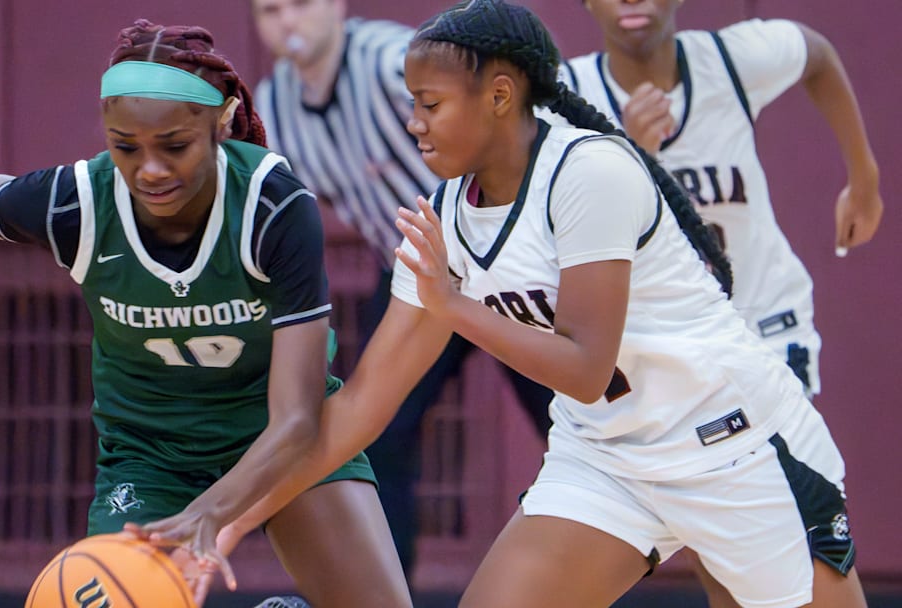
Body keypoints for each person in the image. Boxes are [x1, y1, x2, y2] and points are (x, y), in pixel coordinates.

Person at [136, 1, 870, 606]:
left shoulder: (590, 171)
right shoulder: (445, 218)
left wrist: (453, 306)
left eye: (428, 105)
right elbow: (358, 410)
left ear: (498, 96)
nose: (414, 124)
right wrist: (221, 519)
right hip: (608, 460)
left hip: (732, 442)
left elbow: (584, 366)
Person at [0, 20, 411, 608]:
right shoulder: (79, 202)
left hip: (273, 436)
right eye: (125, 147)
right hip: (149, 454)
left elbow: (296, 421)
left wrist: (208, 516)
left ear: (222, 121)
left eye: (175, 146)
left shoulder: (272, 205)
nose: (150, 170)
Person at [560, 2, 883, 603]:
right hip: (673, 352)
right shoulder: (569, 96)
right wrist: (629, 151)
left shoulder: (731, 60)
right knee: (724, 547)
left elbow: (815, 53)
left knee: (765, 527)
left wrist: (862, 176)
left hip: (764, 325)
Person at [249, 0, 555, 580]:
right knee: (378, 436)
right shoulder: (275, 107)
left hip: (503, 255)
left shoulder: (394, 61)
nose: (288, 21)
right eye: (270, 10)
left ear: (337, 6)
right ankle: (385, 592)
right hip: (413, 274)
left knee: (572, 421)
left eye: (301, 4)